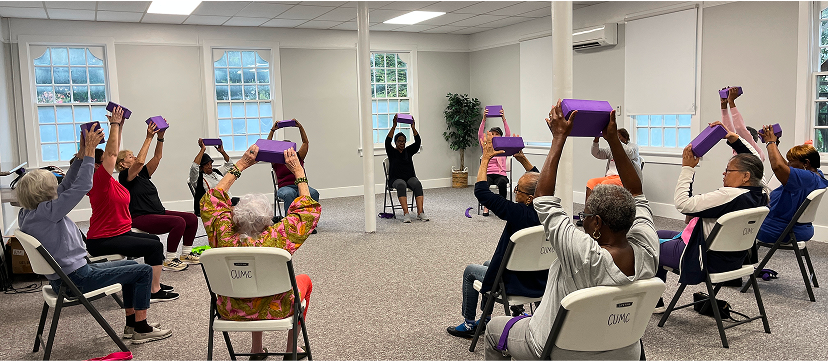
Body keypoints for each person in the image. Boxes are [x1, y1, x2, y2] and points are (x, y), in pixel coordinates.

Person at [483, 100, 658, 361]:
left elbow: (543, 198)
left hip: (562, 349)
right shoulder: (649, 246)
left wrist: (559, 137)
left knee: (494, 330)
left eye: (584, 216)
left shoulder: (582, 252)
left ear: (597, 223)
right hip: (625, 350)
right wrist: (613, 141)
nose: (581, 220)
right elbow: (636, 191)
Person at [17, 127, 172, 344]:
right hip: (77, 279)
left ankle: (132, 325)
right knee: (143, 270)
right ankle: (141, 328)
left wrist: (82, 153)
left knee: (133, 270)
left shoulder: (29, 213)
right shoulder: (49, 212)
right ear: (44, 193)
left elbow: (68, 185)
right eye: (53, 183)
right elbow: (80, 185)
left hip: (67, 276)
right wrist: (90, 150)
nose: (58, 185)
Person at [201, 145, 320, 361]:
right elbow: (306, 211)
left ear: (234, 216)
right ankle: (291, 349)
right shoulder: (276, 237)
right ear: (267, 221)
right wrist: (299, 171)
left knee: (251, 281)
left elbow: (212, 200)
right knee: (304, 281)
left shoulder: (224, 235)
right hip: (278, 307)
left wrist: (242, 164)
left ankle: (257, 351)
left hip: (231, 308)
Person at [654, 122, 768, 312]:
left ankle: (654, 300)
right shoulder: (762, 193)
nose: (724, 173)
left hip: (701, 258)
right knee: (657, 232)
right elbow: (756, 160)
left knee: (647, 243)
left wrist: (687, 168)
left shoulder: (728, 195)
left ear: (746, 176)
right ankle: (655, 299)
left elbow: (683, 204)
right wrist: (734, 139)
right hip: (733, 259)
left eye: (729, 170)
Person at [447, 133, 547, 339]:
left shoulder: (517, 213)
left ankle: (470, 324)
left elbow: (482, 192)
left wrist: (485, 158)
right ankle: (499, 315)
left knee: (470, 271)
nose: (515, 191)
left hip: (514, 283)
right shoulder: (550, 211)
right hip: (540, 281)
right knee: (488, 262)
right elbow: (540, 184)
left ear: (528, 198)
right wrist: (523, 160)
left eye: (518, 189)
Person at [85, 107, 178, 303]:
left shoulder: (107, 180)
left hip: (119, 232)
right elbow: (112, 155)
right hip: (104, 238)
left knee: (153, 240)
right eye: (104, 162)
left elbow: (113, 152)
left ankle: (155, 283)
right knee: (153, 247)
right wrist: (115, 125)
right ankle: (153, 291)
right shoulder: (99, 181)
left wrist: (121, 126)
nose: (109, 162)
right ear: (96, 166)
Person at [117, 118, 200, 271]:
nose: (134, 157)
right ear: (122, 163)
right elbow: (140, 162)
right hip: (140, 217)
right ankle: (170, 259)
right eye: (130, 156)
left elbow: (157, 157)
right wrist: (149, 137)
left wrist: (160, 137)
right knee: (178, 222)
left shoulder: (142, 174)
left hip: (157, 212)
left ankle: (186, 253)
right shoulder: (124, 177)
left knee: (191, 218)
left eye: (133, 155)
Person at [755, 127, 827, 246]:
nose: (788, 164)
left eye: (791, 161)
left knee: (739, 226)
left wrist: (770, 143)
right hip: (797, 228)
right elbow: (785, 166)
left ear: (806, 163)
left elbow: (779, 167)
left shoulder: (807, 178)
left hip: (779, 230)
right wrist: (775, 146)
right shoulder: (816, 175)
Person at [267, 119, 321, 228]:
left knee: (314, 193)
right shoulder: (276, 160)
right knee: (289, 194)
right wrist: (273, 130)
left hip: (301, 185)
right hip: (285, 188)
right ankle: (290, 224)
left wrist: (300, 127)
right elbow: (267, 146)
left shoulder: (298, 157)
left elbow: (305, 142)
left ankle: (309, 222)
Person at [385, 114, 428, 223]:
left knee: (417, 184)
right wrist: (394, 126)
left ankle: (420, 212)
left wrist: (413, 128)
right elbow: (387, 141)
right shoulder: (392, 152)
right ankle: (406, 213)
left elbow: (418, 142)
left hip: (409, 177)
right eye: (399, 141)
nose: (402, 143)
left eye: (403, 141)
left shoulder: (408, 151)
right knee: (401, 185)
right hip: (396, 179)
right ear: (396, 142)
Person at [584, 127, 642, 207]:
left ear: (625, 138)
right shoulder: (612, 148)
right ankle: (588, 214)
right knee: (591, 183)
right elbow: (596, 153)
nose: (615, 138)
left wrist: (614, 140)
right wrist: (596, 140)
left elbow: (629, 153)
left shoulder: (633, 147)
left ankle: (603, 213)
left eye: (619, 137)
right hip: (610, 177)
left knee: (605, 184)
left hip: (624, 179)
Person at [478, 107, 511, 216]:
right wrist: (484, 119)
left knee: (502, 183)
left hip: (500, 174)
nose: (494, 136)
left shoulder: (503, 147)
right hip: (488, 173)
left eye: (497, 134)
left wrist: (503, 119)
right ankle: (486, 206)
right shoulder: (486, 147)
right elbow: (479, 135)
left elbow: (508, 134)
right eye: (492, 134)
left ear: (500, 137)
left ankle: (501, 206)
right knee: (484, 184)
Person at [189, 138, 233, 216]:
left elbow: (229, 165)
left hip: (228, 201)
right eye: (206, 165)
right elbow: (194, 167)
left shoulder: (217, 172)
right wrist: (202, 149)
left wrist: (222, 152)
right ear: (201, 167)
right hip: (212, 206)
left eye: (210, 164)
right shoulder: (198, 179)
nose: (209, 166)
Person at [721, 86, 765, 162]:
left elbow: (740, 128)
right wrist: (724, 106)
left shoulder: (757, 152)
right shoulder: (737, 150)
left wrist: (731, 102)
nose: (735, 136)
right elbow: (728, 132)